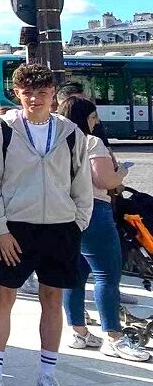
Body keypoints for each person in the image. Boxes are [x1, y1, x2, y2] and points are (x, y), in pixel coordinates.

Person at [0, 63, 92, 386]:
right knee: (3, 297)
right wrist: (0, 228)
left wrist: (77, 223)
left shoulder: (70, 132)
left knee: (52, 299)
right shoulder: (2, 129)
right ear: (17, 94)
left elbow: (81, 182)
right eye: (27, 93)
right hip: (16, 227)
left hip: (60, 226)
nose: (35, 99)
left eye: (42, 92)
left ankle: (47, 375)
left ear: (53, 94)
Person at [58, 96, 150, 361]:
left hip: (65, 213)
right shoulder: (91, 142)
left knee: (75, 274)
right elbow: (105, 181)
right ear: (86, 118)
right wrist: (121, 172)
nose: (97, 121)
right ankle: (114, 337)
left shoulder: (57, 141)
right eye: (94, 116)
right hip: (95, 210)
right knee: (107, 276)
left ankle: (78, 331)